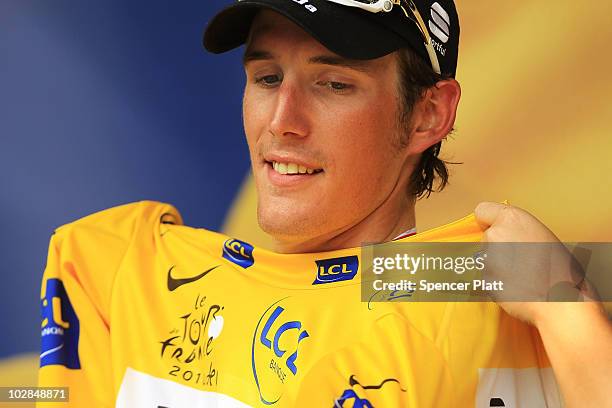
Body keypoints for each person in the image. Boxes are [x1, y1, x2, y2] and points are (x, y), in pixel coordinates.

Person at [38, 0, 611, 407]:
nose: (282, 122)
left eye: (334, 84)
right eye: (266, 78)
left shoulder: (518, 305)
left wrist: (567, 310)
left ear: (428, 114)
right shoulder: (122, 274)